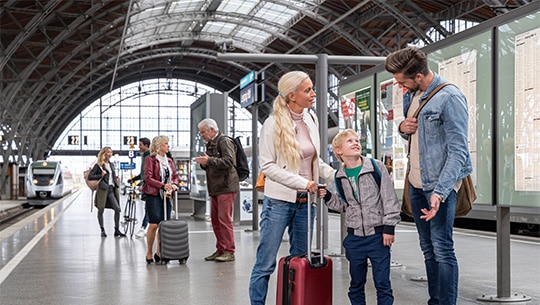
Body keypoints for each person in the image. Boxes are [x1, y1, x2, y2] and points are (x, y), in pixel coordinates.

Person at [384, 47, 473, 305]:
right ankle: (434, 300)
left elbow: (458, 152)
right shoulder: (410, 95)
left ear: (419, 77)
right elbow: (412, 132)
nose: (399, 86)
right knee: (428, 249)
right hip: (416, 182)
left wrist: (440, 192)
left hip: (440, 185)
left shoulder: (450, 97)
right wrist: (402, 127)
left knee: (443, 249)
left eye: (402, 81)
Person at [248, 71, 335, 305]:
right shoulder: (273, 124)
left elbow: (316, 160)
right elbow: (267, 166)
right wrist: (303, 183)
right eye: (308, 90)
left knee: (300, 260)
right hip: (279, 202)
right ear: (291, 96)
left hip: (307, 203)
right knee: (265, 263)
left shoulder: (311, 120)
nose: (313, 94)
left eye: (312, 89)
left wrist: (338, 174)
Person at [322, 129, 401, 305]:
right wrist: (327, 197)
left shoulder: (376, 167)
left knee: (382, 284)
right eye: (349, 141)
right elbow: (344, 205)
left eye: (357, 140)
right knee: (356, 284)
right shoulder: (339, 176)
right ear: (338, 151)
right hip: (354, 238)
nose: (356, 143)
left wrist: (389, 228)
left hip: (378, 236)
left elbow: (389, 198)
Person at [194, 118, 239, 263]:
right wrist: (205, 163)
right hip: (216, 187)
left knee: (224, 219)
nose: (201, 135)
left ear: (211, 130)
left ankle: (229, 251)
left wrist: (209, 161)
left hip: (226, 186)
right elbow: (212, 163)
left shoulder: (224, 141)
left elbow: (229, 161)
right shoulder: (211, 143)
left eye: (203, 132)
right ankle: (221, 248)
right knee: (216, 220)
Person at [141, 135, 179, 264]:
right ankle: (149, 252)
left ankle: (160, 252)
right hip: (153, 195)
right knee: (153, 224)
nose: (168, 146)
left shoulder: (169, 161)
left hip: (167, 196)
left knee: (163, 224)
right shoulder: (150, 160)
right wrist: (162, 185)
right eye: (166, 143)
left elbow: (175, 176)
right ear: (159, 146)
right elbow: (149, 178)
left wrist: (174, 184)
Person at [87, 146, 125, 238]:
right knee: (101, 209)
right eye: (108, 152)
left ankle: (116, 230)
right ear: (104, 153)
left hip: (112, 189)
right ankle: (102, 230)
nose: (110, 154)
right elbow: (90, 177)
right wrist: (101, 175)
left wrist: (116, 181)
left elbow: (113, 176)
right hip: (103, 190)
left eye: (111, 152)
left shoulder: (111, 165)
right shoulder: (98, 165)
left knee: (117, 209)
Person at [127, 137, 151, 238]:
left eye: (140, 145)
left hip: (149, 185)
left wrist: (142, 183)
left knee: (148, 207)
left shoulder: (149, 156)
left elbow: (147, 173)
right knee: (148, 207)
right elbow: (142, 173)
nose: (139, 147)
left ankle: (144, 227)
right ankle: (145, 226)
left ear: (146, 145)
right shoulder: (144, 156)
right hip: (145, 184)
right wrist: (134, 179)